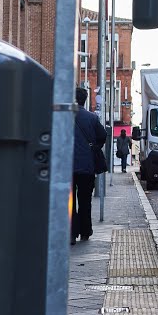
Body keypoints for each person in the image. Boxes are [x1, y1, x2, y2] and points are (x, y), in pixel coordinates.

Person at [72, 86, 107, 245]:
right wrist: (93, 147)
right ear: (85, 100)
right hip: (87, 167)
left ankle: (71, 233)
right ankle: (85, 232)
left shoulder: (63, 116)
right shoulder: (92, 118)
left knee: (69, 202)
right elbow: (103, 135)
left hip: (67, 167)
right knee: (85, 201)